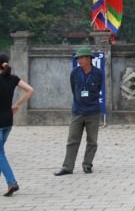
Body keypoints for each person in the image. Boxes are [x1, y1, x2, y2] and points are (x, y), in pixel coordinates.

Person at [0, 53, 34, 196]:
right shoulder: (13, 79)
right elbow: (30, 90)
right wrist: (17, 105)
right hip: (8, 121)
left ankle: (11, 182)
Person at [54, 47, 103, 176]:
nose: (79, 60)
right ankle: (67, 167)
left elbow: (98, 89)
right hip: (78, 111)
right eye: (78, 58)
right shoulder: (74, 73)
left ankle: (87, 164)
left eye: (81, 58)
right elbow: (73, 89)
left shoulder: (98, 73)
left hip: (93, 111)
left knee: (92, 140)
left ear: (89, 59)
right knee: (72, 140)